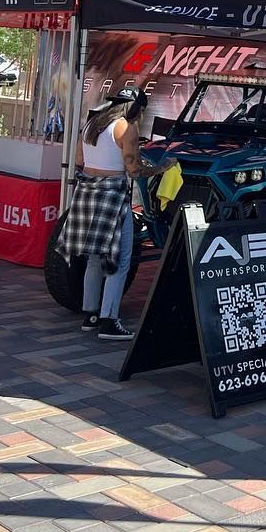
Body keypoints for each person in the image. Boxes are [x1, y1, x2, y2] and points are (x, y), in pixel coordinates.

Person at [56, 86, 173, 341]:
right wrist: (162, 167)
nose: (141, 116)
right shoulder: (126, 128)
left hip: (87, 192)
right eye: (141, 111)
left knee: (95, 257)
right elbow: (134, 170)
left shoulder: (91, 125)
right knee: (119, 260)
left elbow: (79, 160)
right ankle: (109, 321)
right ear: (135, 108)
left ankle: (91, 316)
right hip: (113, 195)